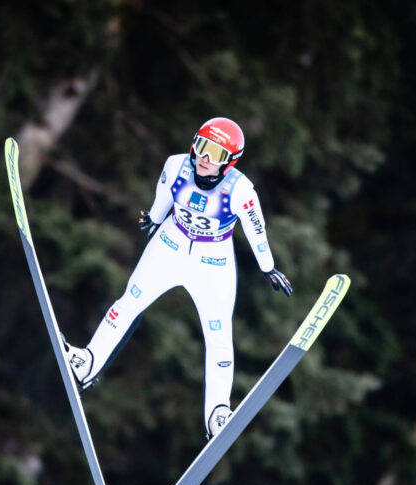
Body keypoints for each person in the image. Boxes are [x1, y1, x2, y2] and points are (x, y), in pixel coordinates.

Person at [63, 117, 292, 439]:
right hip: (169, 244)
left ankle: (217, 413)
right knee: (128, 302)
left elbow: (257, 230)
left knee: (218, 334)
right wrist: (152, 219)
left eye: (215, 153)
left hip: (212, 261)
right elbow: (161, 201)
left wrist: (268, 267)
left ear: (230, 162)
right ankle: (88, 363)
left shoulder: (240, 190)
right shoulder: (175, 166)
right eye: (201, 146)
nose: (204, 158)